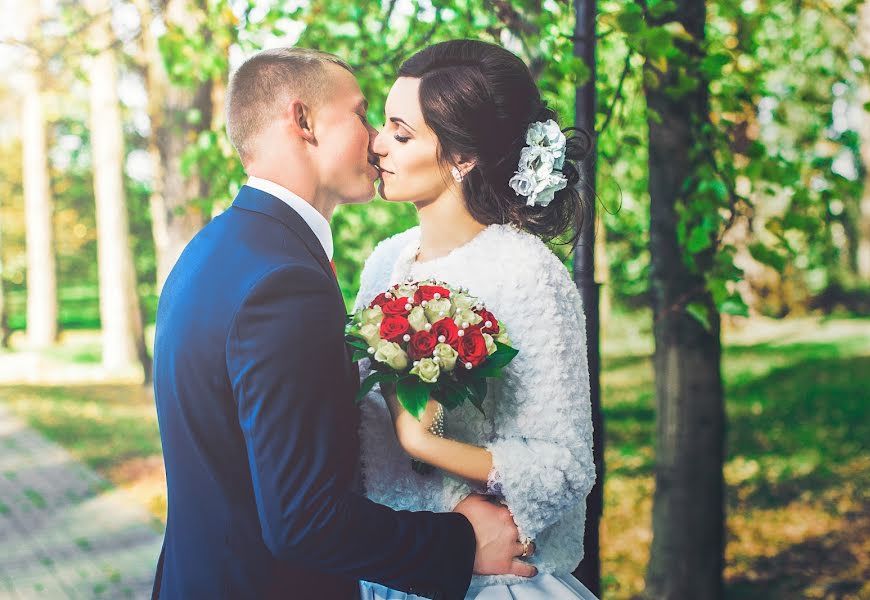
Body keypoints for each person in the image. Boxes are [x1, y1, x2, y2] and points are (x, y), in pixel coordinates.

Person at [152, 46, 533, 600]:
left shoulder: (214, 250)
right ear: (303, 121)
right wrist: (461, 542)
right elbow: (303, 521)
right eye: (359, 114)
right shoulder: (283, 282)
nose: (376, 137)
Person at [356, 40, 599, 599]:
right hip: (391, 571)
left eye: (401, 132)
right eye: (382, 125)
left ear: (462, 158)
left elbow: (563, 467)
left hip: (487, 581)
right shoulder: (384, 262)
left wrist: (424, 443)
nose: (376, 145)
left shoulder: (526, 272)